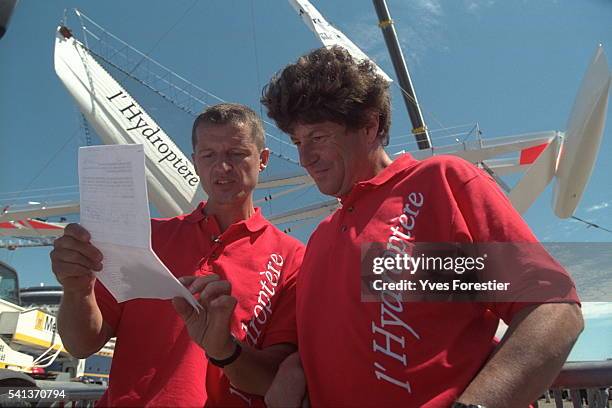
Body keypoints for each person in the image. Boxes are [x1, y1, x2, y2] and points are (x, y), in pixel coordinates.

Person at [260, 46, 583, 408]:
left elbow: (552, 309)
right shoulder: (320, 238)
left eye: (317, 137)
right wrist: (296, 364)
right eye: (298, 142)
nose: (304, 158)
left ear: (370, 125)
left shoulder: (439, 184)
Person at [50, 103, 304, 407]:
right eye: (209, 155)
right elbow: (81, 345)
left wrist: (225, 349)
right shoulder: (146, 238)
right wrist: (77, 289)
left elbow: (274, 378)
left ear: (262, 159)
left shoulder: (292, 259)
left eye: (236, 154)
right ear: (196, 163)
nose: (222, 167)